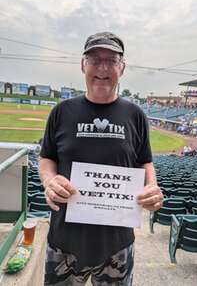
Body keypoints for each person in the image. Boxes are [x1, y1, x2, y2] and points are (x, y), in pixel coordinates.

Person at [38, 31, 163, 286]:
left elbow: (144, 161)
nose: (103, 68)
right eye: (95, 59)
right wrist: (49, 181)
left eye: (112, 60)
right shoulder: (61, 112)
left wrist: (151, 186)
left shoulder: (135, 115)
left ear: (122, 68)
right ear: (83, 64)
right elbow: (46, 158)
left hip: (117, 246)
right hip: (64, 242)